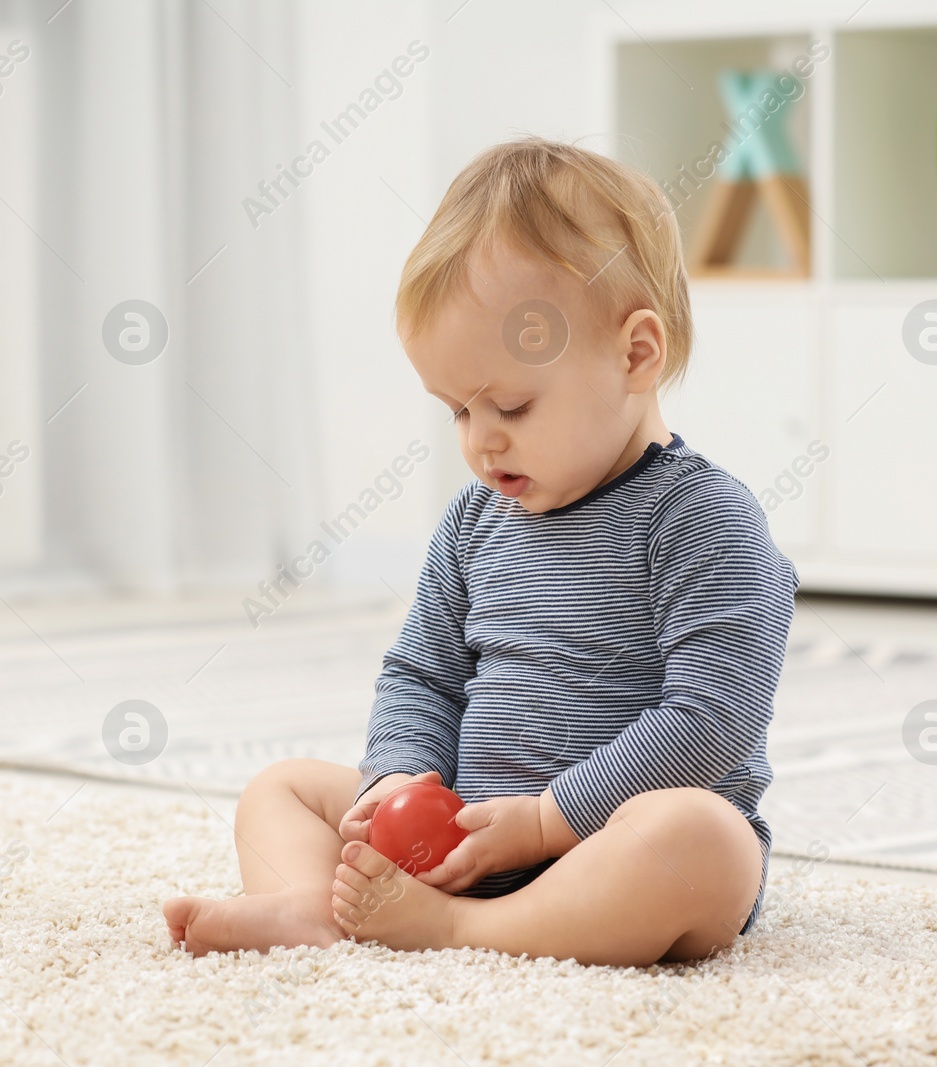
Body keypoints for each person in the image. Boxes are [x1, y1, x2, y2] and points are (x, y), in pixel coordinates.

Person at [164, 137, 799, 966]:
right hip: (464, 837)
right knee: (280, 786)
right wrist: (398, 778)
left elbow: (713, 716)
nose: (480, 442)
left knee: (702, 836)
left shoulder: (705, 519)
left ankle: (467, 931)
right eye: (457, 410)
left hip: (606, 847)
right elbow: (422, 674)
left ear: (636, 354)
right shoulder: (475, 520)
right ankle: (320, 908)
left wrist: (547, 818)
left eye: (511, 403)